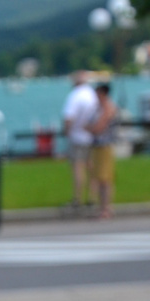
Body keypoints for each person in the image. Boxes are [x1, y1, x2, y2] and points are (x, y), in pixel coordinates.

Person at [61, 72, 99, 209]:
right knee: (92, 168)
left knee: (78, 168)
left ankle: (77, 198)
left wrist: (66, 132)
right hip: (92, 136)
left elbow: (69, 117)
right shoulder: (92, 94)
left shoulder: (75, 96)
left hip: (77, 136)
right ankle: (92, 197)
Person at [88, 82, 119, 219]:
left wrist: (90, 129)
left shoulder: (108, 107)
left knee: (105, 179)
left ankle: (106, 208)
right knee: (99, 178)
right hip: (98, 145)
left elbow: (99, 126)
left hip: (105, 146)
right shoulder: (99, 108)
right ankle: (103, 206)